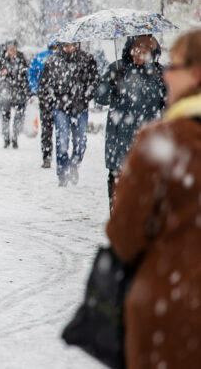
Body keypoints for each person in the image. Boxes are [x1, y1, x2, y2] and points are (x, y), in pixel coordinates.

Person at [105, 29, 201, 369]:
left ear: (194, 75)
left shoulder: (161, 144)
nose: (167, 74)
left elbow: (123, 237)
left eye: (174, 66)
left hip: (169, 311)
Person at [95, 35, 166, 204]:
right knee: (118, 182)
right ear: (129, 50)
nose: (140, 55)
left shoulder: (159, 73)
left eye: (145, 51)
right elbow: (100, 98)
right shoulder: (117, 68)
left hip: (149, 137)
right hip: (120, 136)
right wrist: (111, 82)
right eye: (137, 51)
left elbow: (169, 102)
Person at [39, 42, 98, 186]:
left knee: (80, 143)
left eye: (72, 45)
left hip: (80, 106)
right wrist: (53, 98)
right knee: (62, 142)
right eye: (66, 46)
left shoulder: (87, 59)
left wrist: (86, 95)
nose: (69, 49)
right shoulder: (53, 61)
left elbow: (94, 80)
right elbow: (45, 84)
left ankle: (74, 166)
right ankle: (62, 173)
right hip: (61, 107)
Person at [29, 42, 58, 168]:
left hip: (60, 98)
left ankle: (58, 156)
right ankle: (47, 156)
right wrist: (34, 90)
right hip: (46, 97)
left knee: (59, 130)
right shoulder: (42, 57)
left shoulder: (63, 59)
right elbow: (32, 74)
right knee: (47, 128)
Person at [0, 40, 29, 149]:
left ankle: (15, 136)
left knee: (19, 115)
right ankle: (6, 138)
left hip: (19, 90)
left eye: (13, 49)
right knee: (5, 115)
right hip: (6, 90)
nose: (12, 51)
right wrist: (2, 74)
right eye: (10, 49)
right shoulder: (2, 59)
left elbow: (25, 73)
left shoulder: (21, 59)